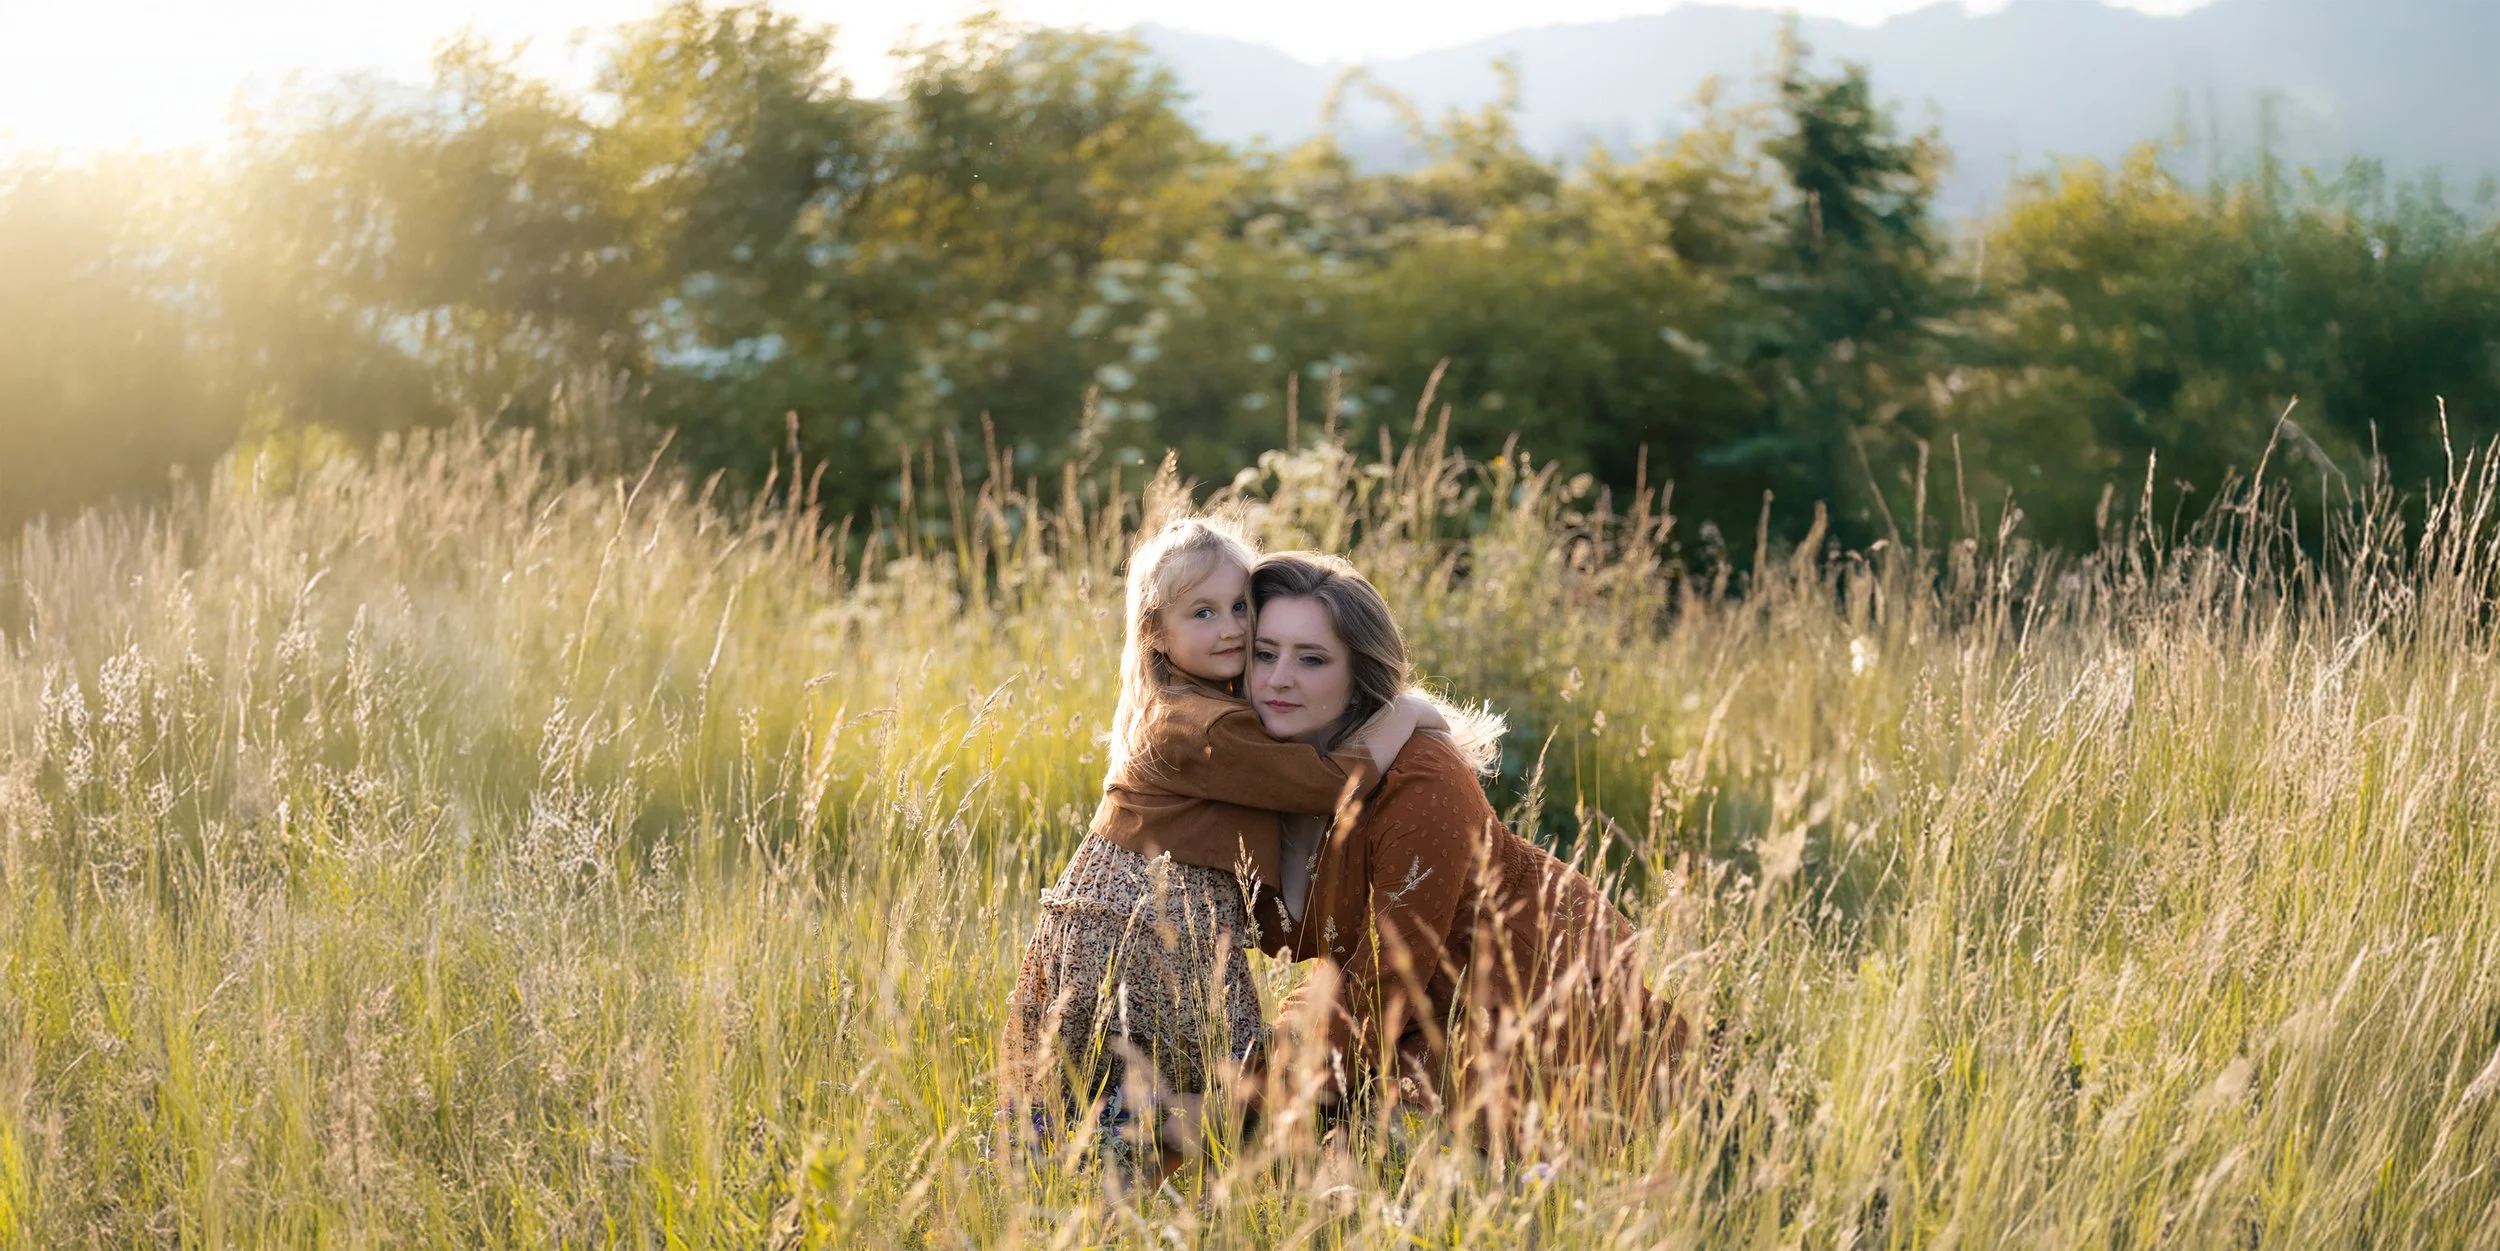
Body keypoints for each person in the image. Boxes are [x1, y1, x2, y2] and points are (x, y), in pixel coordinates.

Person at [1000, 518, 1440, 1172]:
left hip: (1111, 919)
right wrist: (1405, 713)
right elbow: (1321, 785)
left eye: (1240, 606)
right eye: (1203, 612)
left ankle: (1105, 1185)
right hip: (1152, 923)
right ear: (1154, 630)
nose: (1232, 626)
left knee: (1120, 1086)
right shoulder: (1206, 724)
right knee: (1220, 1081)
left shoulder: (1179, 703)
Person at [1245, 551, 1686, 1153]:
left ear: (1359, 677)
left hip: (1523, 990)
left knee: (1356, 1137)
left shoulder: (1422, 781)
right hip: (1409, 997)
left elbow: (1390, 975)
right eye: (1264, 653)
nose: (1279, 678)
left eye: (1312, 659)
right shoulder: (1278, 769)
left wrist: (1267, 1089)